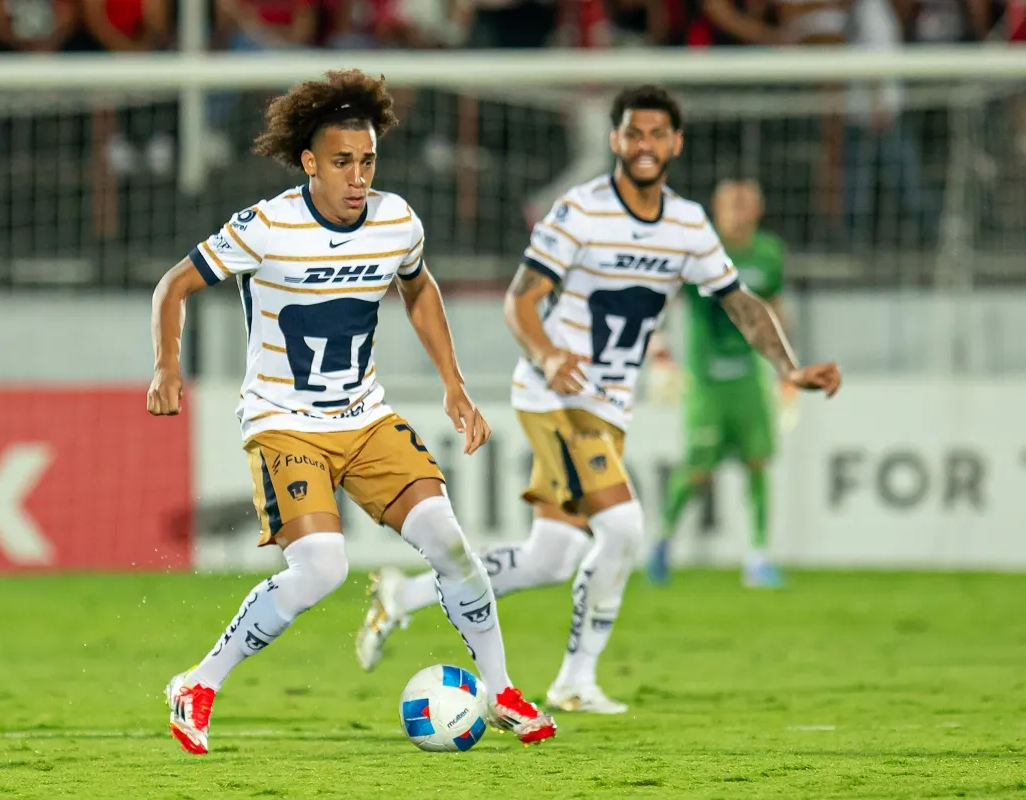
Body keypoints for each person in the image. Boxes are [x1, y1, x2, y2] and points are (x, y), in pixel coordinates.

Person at [355, 85, 841, 714]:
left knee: (550, 558)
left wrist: (790, 367)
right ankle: (575, 681)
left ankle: (404, 596)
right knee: (623, 525)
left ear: (676, 143)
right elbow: (520, 300)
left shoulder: (688, 224)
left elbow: (741, 303)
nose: (645, 145)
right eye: (633, 133)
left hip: (609, 404)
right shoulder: (581, 211)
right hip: (555, 394)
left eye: (657, 134)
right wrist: (548, 355)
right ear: (615, 140)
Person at [148, 69, 557, 755]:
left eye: (368, 161)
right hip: (283, 421)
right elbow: (174, 284)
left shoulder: (396, 222)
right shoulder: (267, 226)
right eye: (343, 162)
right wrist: (167, 365)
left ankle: (501, 689)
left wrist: (454, 384)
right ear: (310, 163)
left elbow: (418, 289)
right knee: (322, 569)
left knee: (449, 542)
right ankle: (198, 683)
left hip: (364, 418)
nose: (358, 177)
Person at [646, 179, 790, 589]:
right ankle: (662, 542)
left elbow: (774, 306)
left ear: (758, 210)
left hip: (748, 377)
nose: (738, 214)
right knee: (696, 469)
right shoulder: (698, 251)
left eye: (746, 206)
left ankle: (758, 557)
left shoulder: (769, 253)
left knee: (757, 462)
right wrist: (658, 346)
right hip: (706, 380)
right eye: (731, 206)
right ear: (717, 210)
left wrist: (786, 366)